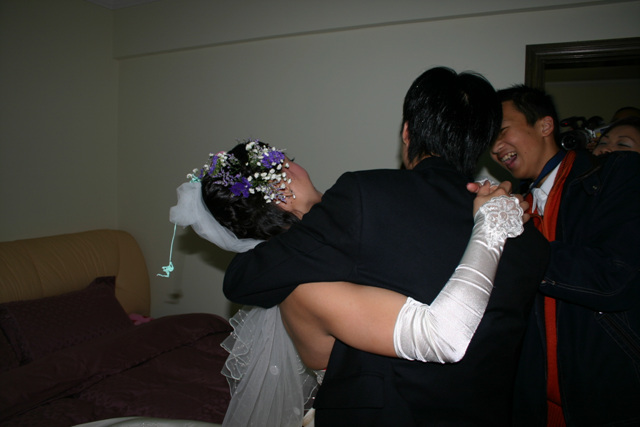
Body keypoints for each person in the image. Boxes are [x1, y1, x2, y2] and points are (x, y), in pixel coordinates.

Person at [222, 67, 550, 426]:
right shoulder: (527, 237)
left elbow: (243, 280)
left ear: (407, 132)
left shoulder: (365, 197)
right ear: (481, 143)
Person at [168, 139, 526, 427]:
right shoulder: (305, 289)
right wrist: (490, 226)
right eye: (288, 161)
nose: (297, 164)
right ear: (281, 192)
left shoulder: (339, 236)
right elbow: (442, 336)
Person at [490, 84, 640, 426]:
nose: (495, 148)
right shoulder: (517, 206)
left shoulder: (616, 173)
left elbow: (614, 277)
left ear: (545, 125)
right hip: (535, 404)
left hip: (610, 402)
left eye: (501, 132)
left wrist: (515, 241)